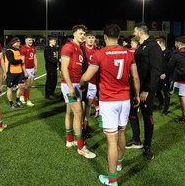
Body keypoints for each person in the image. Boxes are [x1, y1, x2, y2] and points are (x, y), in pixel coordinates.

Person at [79, 23, 140, 186]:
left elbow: (86, 77)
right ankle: (119, 163)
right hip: (124, 99)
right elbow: (135, 77)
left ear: (105, 37)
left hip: (109, 101)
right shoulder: (128, 53)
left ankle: (112, 180)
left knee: (111, 140)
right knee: (121, 132)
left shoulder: (99, 54)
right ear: (118, 37)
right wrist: (137, 96)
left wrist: (80, 84)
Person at [126, 22, 163, 161]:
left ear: (140, 32)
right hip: (135, 87)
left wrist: (146, 90)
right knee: (132, 112)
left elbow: (155, 71)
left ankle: (147, 146)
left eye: (135, 31)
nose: (133, 33)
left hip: (145, 90)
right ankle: (136, 140)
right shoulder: (141, 46)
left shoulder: (153, 46)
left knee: (147, 116)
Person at [60, 24, 96, 159]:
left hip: (76, 84)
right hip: (70, 85)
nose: (83, 36)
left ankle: (70, 140)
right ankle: (81, 146)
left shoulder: (80, 49)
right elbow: (64, 68)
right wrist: (70, 87)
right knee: (79, 113)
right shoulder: (68, 46)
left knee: (70, 112)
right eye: (80, 33)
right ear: (74, 33)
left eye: (84, 34)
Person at [161, 36, 185, 125]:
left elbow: (169, 67)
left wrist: (165, 74)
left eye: (175, 43)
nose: (174, 44)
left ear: (178, 43)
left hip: (181, 80)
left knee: (182, 98)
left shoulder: (176, 55)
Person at [81, 30, 98, 137]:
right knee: (81, 106)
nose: (91, 39)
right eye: (89, 37)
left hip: (93, 82)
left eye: (93, 37)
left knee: (88, 106)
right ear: (85, 38)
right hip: (83, 82)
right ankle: (81, 126)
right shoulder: (81, 49)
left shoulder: (97, 51)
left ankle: (86, 125)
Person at [5, 37, 28, 108]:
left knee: (21, 86)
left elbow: (21, 63)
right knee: (10, 88)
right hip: (11, 73)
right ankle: (11, 103)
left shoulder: (18, 51)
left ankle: (17, 100)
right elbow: (12, 62)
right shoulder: (9, 51)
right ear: (13, 43)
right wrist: (21, 61)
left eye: (19, 43)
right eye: (17, 43)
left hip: (19, 72)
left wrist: (25, 72)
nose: (18, 44)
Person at [156, 37, 172, 116]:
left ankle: (165, 109)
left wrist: (165, 74)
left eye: (157, 43)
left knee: (166, 93)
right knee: (157, 90)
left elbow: (170, 66)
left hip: (166, 77)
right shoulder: (157, 53)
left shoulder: (168, 53)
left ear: (161, 44)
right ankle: (161, 103)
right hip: (158, 76)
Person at [20, 35, 37, 107]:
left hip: (32, 68)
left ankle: (21, 96)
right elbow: (22, 61)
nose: (31, 41)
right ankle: (28, 100)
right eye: (29, 40)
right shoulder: (23, 49)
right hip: (26, 69)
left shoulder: (33, 48)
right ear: (25, 40)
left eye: (31, 40)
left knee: (30, 84)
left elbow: (35, 58)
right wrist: (24, 71)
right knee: (27, 85)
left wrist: (36, 68)